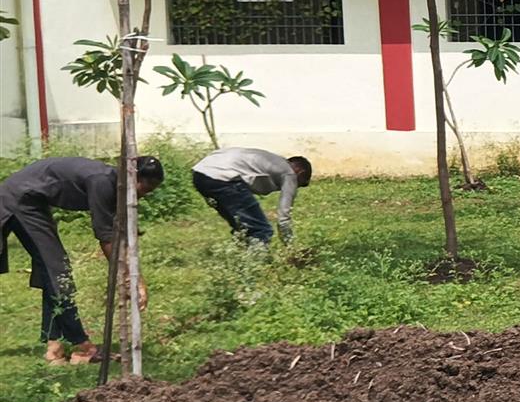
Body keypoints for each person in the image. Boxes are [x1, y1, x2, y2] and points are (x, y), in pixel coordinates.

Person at [0, 154, 163, 364]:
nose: (143, 195)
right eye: (145, 189)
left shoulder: (116, 185)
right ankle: (82, 346)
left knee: (55, 271)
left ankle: (54, 347)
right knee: (58, 272)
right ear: (133, 178)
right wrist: (132, 277)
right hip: (20, 200)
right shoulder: (102, 182)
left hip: (33, 201)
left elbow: (118, 232)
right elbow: (106, 238)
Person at [191, 147, 311, 245]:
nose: (295, 187)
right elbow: (283, 218)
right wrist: (290, 246)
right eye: (300, 184)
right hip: (224, 178)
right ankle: (256, 269)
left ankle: (238, 260)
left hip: (200, 174)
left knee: (242, 227)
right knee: (260, 230)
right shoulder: (289, 174)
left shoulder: (273, 160)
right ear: (300, 173)